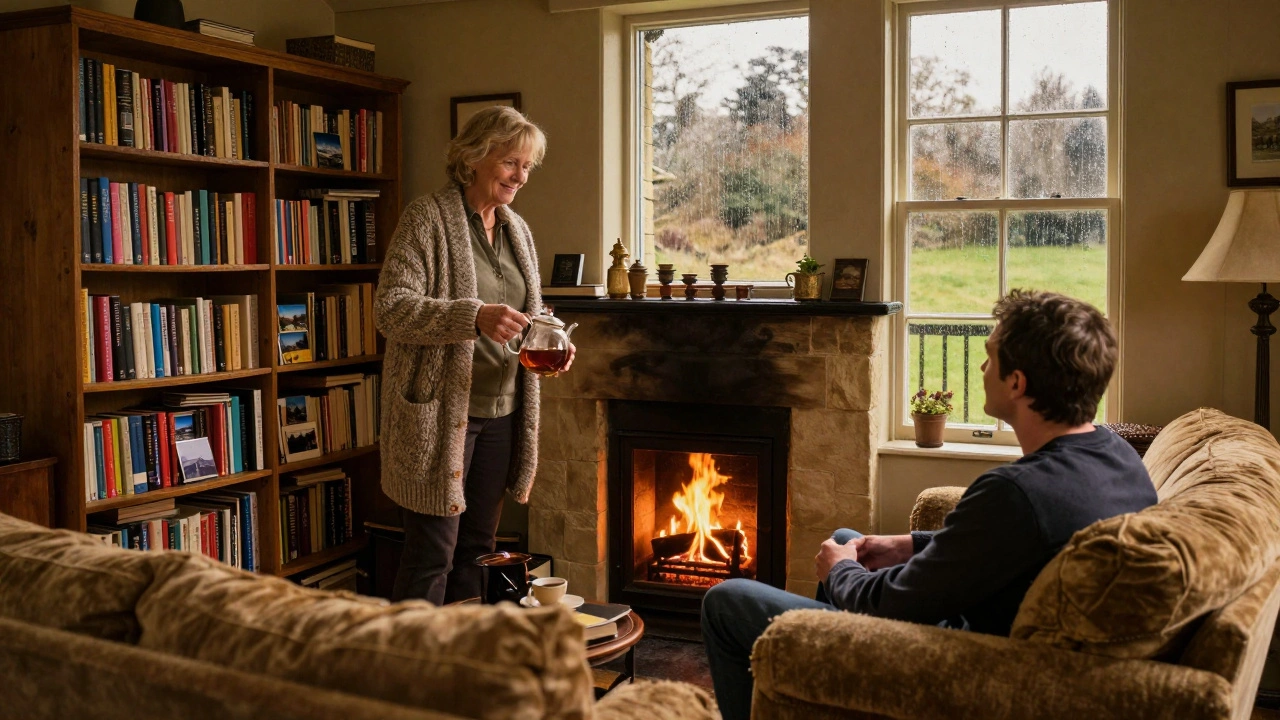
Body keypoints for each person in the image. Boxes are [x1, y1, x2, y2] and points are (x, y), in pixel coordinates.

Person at [701, 290, 1157, 720]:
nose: (982, 366)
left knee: (726, 601)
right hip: (981, 621)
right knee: (848, 538)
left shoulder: (1016, 492)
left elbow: (890, 605)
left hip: (954, 659)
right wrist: (910, 544)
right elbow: (1008, 545)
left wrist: (839, 571)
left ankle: (826, 669)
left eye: (990, 357)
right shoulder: (1117, 454)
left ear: (1017, 383)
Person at [375, 105, 574, 605]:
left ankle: (467, 650)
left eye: (527, 166)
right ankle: (409, 654)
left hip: (503, 412)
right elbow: (391, 309)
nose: (520, 177)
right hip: (442, 416)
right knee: (431, 556)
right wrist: (473, 316)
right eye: (510, 163)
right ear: (473, 157)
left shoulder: (516, 229)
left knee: (479, 551)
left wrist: (549, 337)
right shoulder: (427, 218)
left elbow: (524, 313)